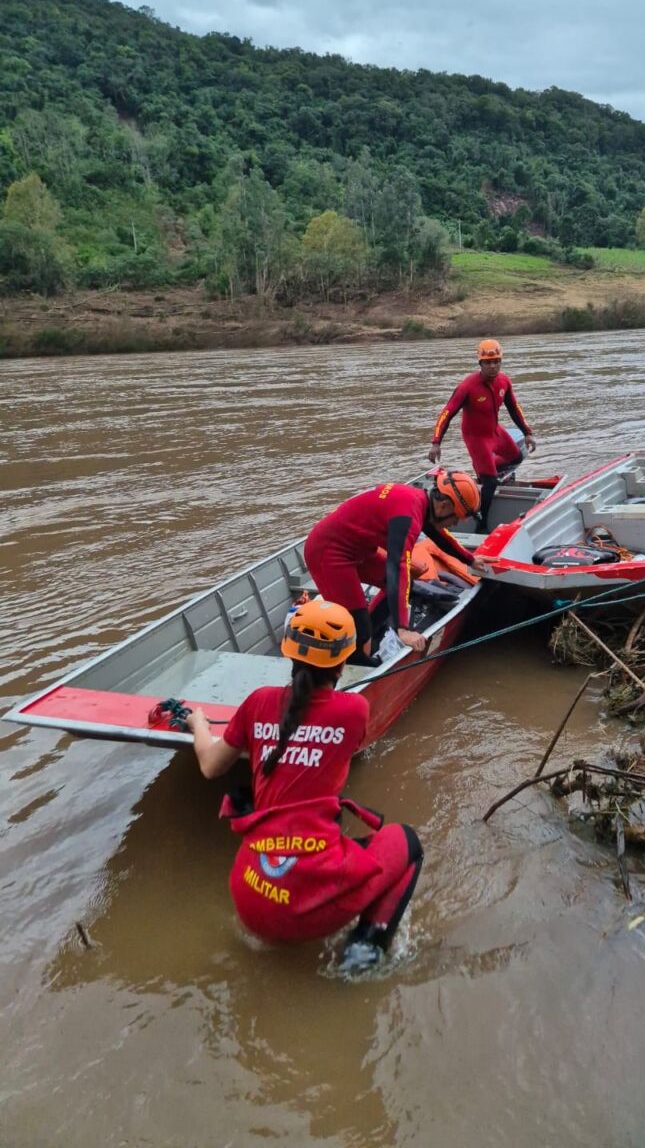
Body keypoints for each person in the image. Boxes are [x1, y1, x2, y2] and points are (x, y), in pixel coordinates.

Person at [185, 600, 423, 974]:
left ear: (288, 653)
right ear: (343, 663)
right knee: (406, 842)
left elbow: (210, 766)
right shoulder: (354, 710)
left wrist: (198, 724)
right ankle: (364, 951)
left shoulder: (258, 701)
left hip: (249, 896)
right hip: (304, 906)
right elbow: (341, 738)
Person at [303, 470, 484, 666]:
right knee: (358, 628)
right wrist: (402, 628)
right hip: (328, 553)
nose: (455, 523)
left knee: (399, 588)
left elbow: (438, 535)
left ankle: (369, 637)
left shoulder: (419, 502)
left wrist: (470, 560)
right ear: (443, 506)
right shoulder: (408, 517)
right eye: (456, 518)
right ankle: (355, 664)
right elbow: (397, 568)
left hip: (357, 550)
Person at [429, 338, 537, 530]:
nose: (492, 366)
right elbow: (446, 413)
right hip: (476, 438)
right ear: (480, 363)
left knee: (517, 457)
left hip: (495, 431)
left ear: (500, 361)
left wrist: (527, 432)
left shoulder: (504, 381)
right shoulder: (467, 386)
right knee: (490, 482)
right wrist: (436, 443)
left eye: (496, 361)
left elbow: (514, 408)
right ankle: (482, 523)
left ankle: (485, 470)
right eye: (487, 362)